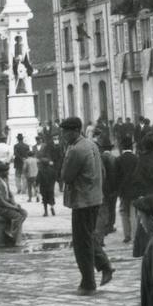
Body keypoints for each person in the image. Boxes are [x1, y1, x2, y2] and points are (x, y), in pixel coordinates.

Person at [60, 116, 114, 294]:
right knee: (87, 237)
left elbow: (66, 176)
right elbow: (103, 173)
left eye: (65, 132)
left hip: (82, 201)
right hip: (94, 198)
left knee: (81, 244)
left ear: (74, 131)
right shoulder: (91, 145)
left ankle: (88, 283)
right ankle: (104, 265)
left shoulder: (75, 150)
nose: (63, 135)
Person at [115, 133, 140, 243]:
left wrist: (117, 190)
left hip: (123, 191)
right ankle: (135, 235)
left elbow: (116, 176)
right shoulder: (136, 159)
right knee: (134, 213)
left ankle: (127, 235)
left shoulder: (119, 159)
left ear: (122, 147)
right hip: (135, 190)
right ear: (131, 147)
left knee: (124, 212)